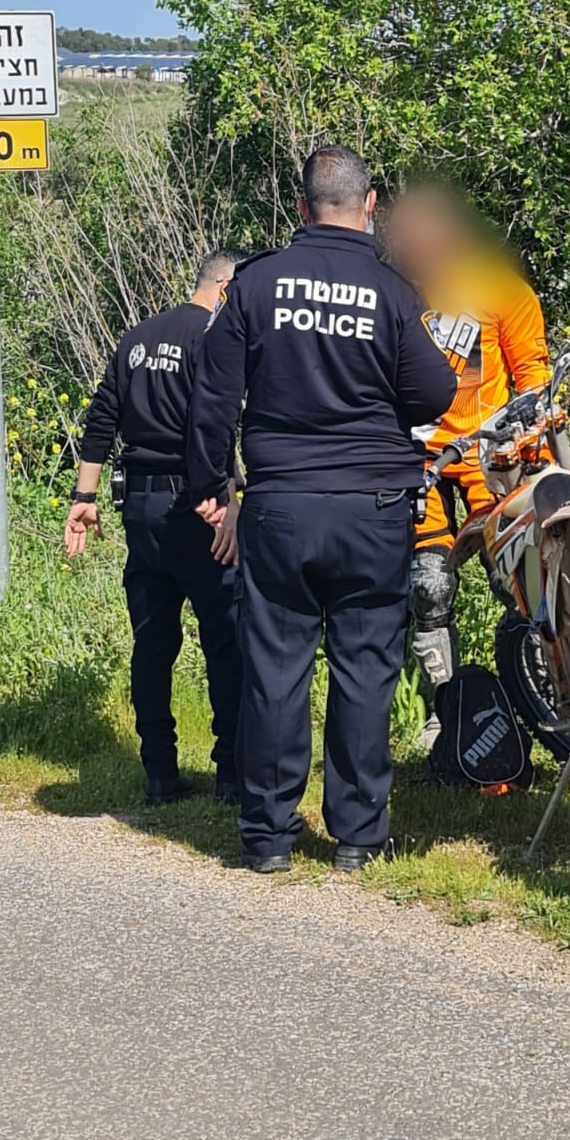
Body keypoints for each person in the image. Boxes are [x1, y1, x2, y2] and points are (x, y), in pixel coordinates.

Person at [188, 146, 456, 874]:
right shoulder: (392, 291)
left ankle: (268, 836)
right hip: (374, 508)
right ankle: (358, 836)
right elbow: (434, 394)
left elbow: (212, 396)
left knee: (275, 668)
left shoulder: (255, 283)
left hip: (281, 504)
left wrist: (214, 486)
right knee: (365, 668)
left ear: (302, 206)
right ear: (369, 206)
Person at [64, 249, 247, 807]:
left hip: (140, 507)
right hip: (197, 506)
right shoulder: (211, 338)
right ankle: (231, 774)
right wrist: (226, 498)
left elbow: (102, 417)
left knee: (152, 642)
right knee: (224, 639)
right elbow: (211, 426)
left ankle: (159, 774)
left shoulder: (137, 337)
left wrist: (84, 497)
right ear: (225, 286)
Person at [385, 186, 549, 737]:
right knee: (429, 587)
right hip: (417, 457)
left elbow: (534, 377)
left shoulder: (501, 288)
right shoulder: (389, 291)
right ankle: (446, 710)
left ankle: (542, 698)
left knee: (516, 581)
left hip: (488, 453)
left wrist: (535, 456)